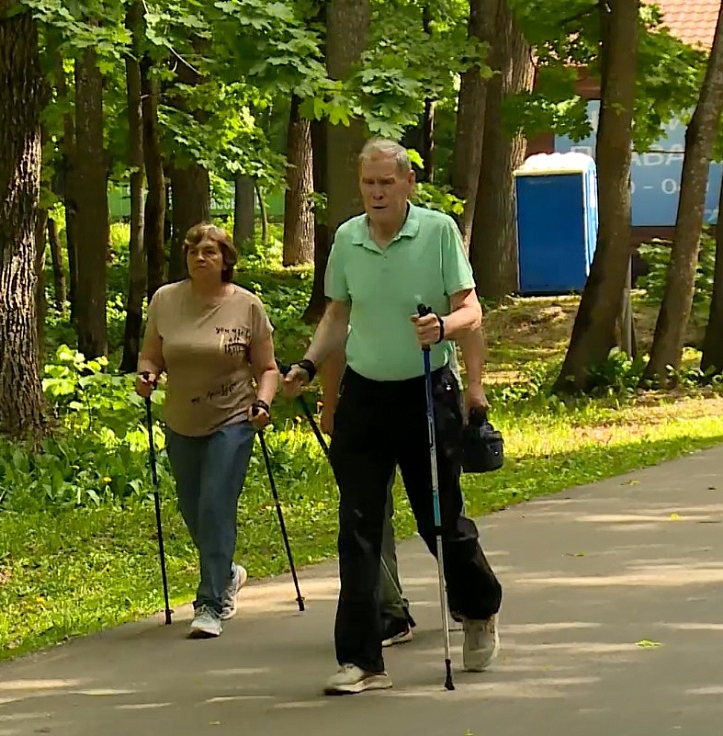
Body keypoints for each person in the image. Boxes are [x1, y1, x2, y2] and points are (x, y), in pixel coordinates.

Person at [283, 137, 502, 695]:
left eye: (387, 182)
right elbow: (338, 313)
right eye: (368, 183)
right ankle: (361, 658)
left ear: (408, 184)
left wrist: (444, 329)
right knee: (357, 525)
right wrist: (309, 365)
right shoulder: (348, 239)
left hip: (427, 390)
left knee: (440, 518)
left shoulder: (437, 232)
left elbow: (471, 307)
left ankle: (478, 610)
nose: (376, 192)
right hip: (365, 394)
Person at [137, 222, 280, 640]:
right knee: (192, 507)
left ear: (226, 261)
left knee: (216, 503)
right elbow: (151, 355)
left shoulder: (246, 306)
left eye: (210, 252)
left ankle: (210, 603)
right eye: (194, 251)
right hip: (181, 419)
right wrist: (146, 376)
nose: (201, 257)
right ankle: (228, 572)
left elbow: (267, 368)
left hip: (233, 417)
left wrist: (264, 402)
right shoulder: (166, 300)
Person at [317, 351, 416, 648]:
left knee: (439, 512)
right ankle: (390, 610)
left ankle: (466, 590)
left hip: (421, 402)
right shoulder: (344, 309)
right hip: (363, 416)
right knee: (367, 513)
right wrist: (331, 405)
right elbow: (332, 351)